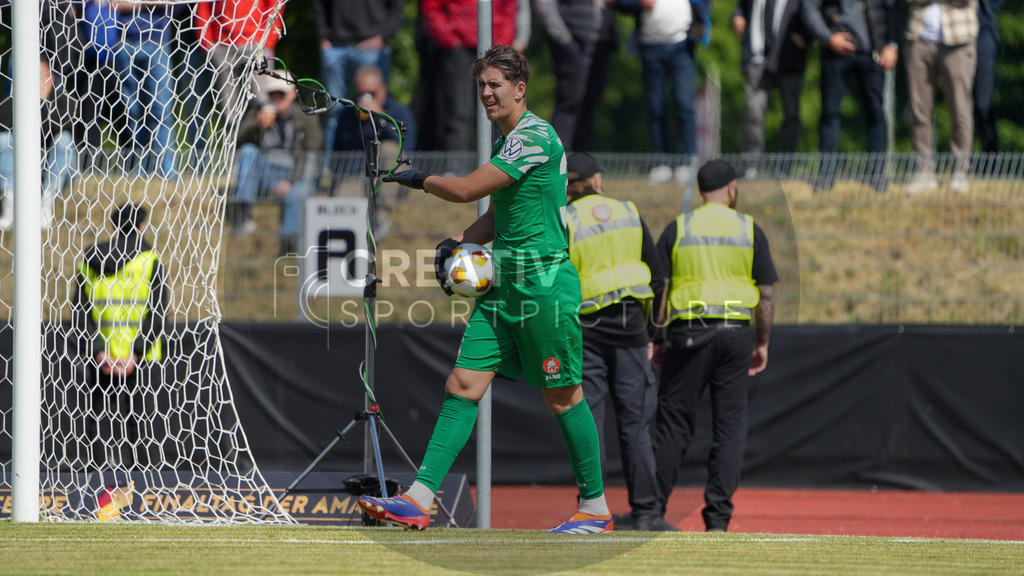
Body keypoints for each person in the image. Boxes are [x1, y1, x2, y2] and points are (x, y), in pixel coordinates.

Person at [358, 45, 613, 534]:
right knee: (463, 384)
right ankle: (418, 499)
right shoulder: (507, 142)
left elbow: (467, 190)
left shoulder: (533, 136)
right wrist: (459, 242)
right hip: (504, 285)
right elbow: (497, 214)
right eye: (482, 85)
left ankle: (595, 508)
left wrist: (414, 177)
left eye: (496, 84)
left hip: (542, 283)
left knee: (563, 396)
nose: (487, 93)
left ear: (521, 88)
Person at [651, 159, 776, 532]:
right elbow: (766, 295)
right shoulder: (749, 228)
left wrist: (656, 338)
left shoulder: (680, 227)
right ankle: (718, 519)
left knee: (674, 424)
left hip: (688, 331)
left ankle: (652, 510)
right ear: (732, 188)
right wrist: (762, 340)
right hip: (736, 332)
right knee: (730, 425)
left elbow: (660, 289)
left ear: (701, 191)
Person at [563, 152, 672, 531]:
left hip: (583, 333)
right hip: (630, 332)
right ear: (597, 180)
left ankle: (590, 513)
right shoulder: (627, 211)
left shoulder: (565, 218)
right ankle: (646, 513)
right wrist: (652, 335)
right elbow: (658, 280)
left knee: (587, 424)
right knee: (636, 424)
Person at [73, 202, 167, 470]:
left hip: (100, 354)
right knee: (141, 419)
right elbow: (157, 314)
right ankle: (143, 482)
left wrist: (98, 351)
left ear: (114, 227)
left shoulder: (90, 259)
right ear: (142, 227)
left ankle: (95, 476)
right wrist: (135, 353)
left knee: (97, 417)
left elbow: (80, 311)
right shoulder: (150, 261)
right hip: (141, 357)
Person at [801, 0, 899, 193]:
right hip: (834, 52)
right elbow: (809, 7)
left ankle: (878, 177)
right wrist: (828, 37)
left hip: (872, 51)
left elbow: (894, 8)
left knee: (876, 114)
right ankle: (826, 177)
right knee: (830, 114)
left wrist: (892, 45)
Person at [609, 0, 711, 183]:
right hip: (650, 47)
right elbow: (620, 4)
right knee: (656, 107)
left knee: (684, 104)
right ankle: (661, 162)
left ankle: (688, 162)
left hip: (683, 45)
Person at [232, 72, 323, 255]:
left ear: (292, 94)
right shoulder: (259, 111)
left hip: (296, 174)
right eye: (272, 94)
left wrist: (290, 181)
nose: (276, 99)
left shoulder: (306, 117)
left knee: (296, 194)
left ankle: (289, 241)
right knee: (249, 152)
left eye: (281, 94)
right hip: (265, 172)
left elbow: (311, 155)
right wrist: (256, 124)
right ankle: (243, 215)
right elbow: (236, 142)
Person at [416, 0, 517, 153]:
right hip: (459, 50)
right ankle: (455, 169)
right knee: (458, 111)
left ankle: (501, 165)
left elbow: (509, 10)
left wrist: (503, 42)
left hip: (495, 46)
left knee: (499, 108)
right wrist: (449, 39)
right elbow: (431, 7)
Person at [332, 65, 416, 239]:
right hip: (358, 176)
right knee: (341, 199)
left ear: (383, 90)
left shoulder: (398, 112)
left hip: (391, 179)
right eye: (362, 93)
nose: (366, 98)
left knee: (390, 148)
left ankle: (382, 216)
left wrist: (382, 117)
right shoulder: (347, 116)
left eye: (372, 93)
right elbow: (337, 154)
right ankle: (350, 241)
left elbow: (407, 147)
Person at [904, 0, 978, 196]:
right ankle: (924, 173)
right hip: (918, 38)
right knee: (919, 111)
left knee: (960, 109)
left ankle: (961, 172)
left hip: (958, 41)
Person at [314, 0, 403, 152]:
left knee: (377, 108)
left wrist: (382, 36)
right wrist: (323, 38)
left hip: (371, 46)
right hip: (335, 46)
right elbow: (320, 5)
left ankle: (385, 165)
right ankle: (331, 168)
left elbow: (396, 7)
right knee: (334, 111)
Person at [0, 56, 77, 230]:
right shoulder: (12, 101)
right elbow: (3, 122)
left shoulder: (64, 101)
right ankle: (10, 205)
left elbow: (65, 127)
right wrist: (25, 101)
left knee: (63, 141)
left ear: (52, 77)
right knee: (5, 140)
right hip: (21, 167)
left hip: (57, 169)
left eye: (41, 75)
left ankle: (45, 207)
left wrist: (40, 102)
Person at [732, 0, 809, 170]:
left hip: (789, 61)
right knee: (753, 111)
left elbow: (812, 13)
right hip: (757, 60)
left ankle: (783, 167)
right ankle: (751, 165)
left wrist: (805, 36)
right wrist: (737, 16)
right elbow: (741, 7)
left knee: (791, 115)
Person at [535, 0, 618, 153]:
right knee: (570, 102)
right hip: (573, 41)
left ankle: (583, 164)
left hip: (602, 42)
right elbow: (545, 5)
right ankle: (559, 159)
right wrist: (566, 41)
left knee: (590, 105)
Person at [111, 0, 179, 179]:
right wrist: (147, 3)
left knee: (160, 109)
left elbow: (169, 3)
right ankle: (139, 167)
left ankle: (166, 169)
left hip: (157, 43)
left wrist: (134, 3)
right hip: (125, 44)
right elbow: (114, 4)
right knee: (132, 109)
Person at [194, 0, 285, 117]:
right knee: (228, 109)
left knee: (264, 103)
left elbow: (275, 4)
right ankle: (232, 135)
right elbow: (203, 6)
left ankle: (268, 135)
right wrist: (207, 44)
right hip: (222, 46)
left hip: (257, 43)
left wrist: (269, 41)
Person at [974, 0, 1001, 157]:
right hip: (949, 39)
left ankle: (990, 159)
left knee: (983, 104)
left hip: (983, 35)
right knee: (959, 104)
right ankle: (962, 164)